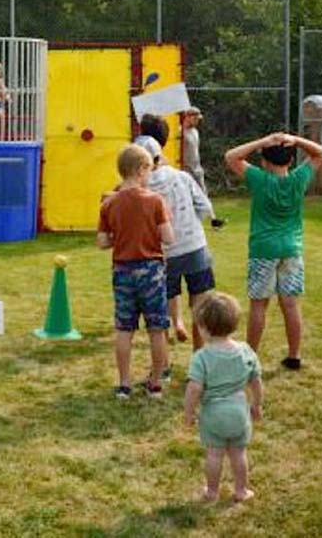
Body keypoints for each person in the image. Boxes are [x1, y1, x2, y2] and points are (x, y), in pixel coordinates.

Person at [224, 132, 322, 370]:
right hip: (291, 249)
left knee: (259, 305)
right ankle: (294, 355)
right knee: (290, 304)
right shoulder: (299, 179)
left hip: (263, 250)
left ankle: (251, 356)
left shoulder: (259, 179)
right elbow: (320, 152)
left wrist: (262, 141)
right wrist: (296, 140)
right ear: (291, 161)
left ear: (264, 161)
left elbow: (231, 156)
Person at [97, 143, 174, 399]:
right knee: (156, 327)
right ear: (141, 170)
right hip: (151, 270)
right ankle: (154, 382)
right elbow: (168, 237)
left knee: (124, 328)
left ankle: (124, 383)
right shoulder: (155, 201)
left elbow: (102, 242)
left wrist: (120, 237)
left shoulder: (109, 203)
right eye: (149, 170)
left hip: (122, 270)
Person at [134, 135, 215, 353]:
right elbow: (204, 206)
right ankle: (199, 357)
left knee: (161, 308)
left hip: (162, 254)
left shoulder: (140, 188)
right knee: (200, 305)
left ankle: (164, 366)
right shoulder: (182, 176)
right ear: (160, 155)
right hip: (195, 247)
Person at [183, 292, 263, 504]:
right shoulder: (246, 351)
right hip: (239, 411)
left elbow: (194, 389)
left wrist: (189, 413)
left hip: (213, 413)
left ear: (204, 328)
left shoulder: (201, 357)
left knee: (215, 455)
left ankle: (212, 492)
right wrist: (257, 404)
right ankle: (241, 490)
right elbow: (256, 381)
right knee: (238, 453)